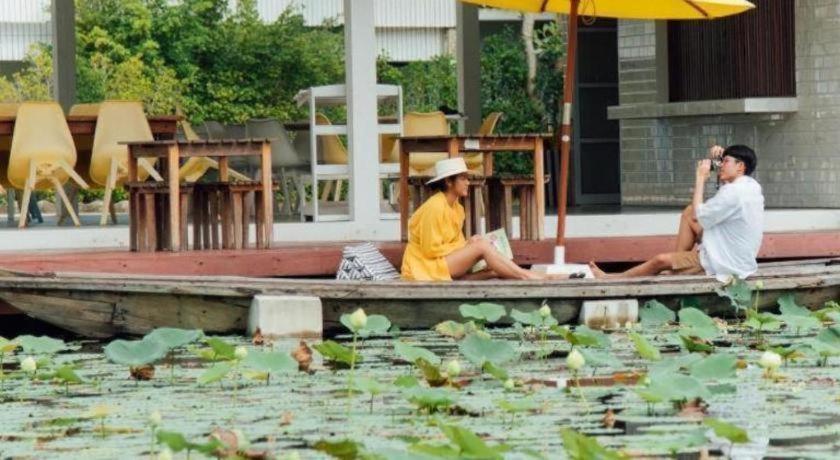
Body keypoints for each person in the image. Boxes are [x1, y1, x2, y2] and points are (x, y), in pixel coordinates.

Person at [590, 145, 764, 281]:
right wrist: (723, 156)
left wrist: (700, 178)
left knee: (660, 260)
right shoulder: (750, 186)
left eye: (725, 162)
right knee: (688, 212)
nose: (720, 167)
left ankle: (612, 278)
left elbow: (699, 216)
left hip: (723, 263)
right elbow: (704, 211)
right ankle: (677, 266)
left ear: (740, 166)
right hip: (734, 253)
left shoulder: (733, 192)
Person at [401, 157, 546, 281]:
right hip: (424, 269)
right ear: (448, 182)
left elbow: (455, 244)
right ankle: (526, 276)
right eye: (463, 178)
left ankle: (528, 275)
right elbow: (430, 250)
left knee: (491, 265)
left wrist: (468, 243)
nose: (468, 183)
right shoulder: (435, 206)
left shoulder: (457, 208)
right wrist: (467, 245)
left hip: (441, 264)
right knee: (480, 245)